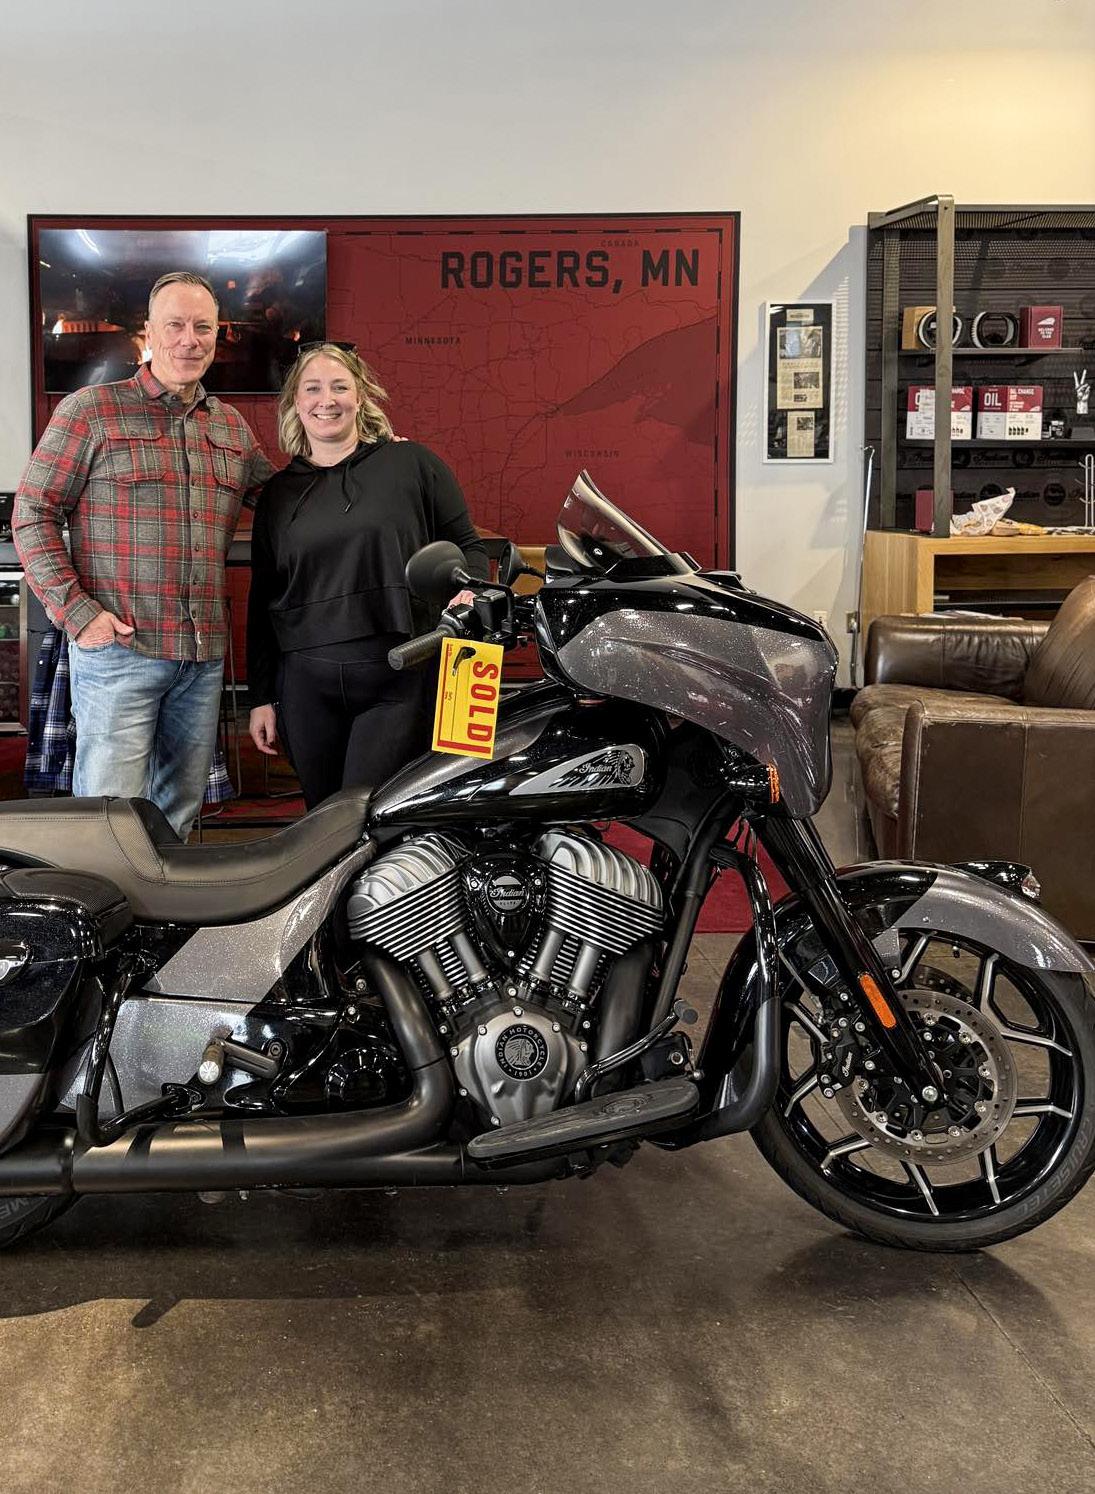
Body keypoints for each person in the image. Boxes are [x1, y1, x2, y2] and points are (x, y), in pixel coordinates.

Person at [14, 271, 274, 838]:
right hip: (120, 653)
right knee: (110, 819)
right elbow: (33, 513)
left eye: (203, 327)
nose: (189, 340)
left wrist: (368, 464)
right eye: (175, 325)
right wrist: (79, 614)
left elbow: (290, 502)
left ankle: (166, 900)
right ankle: (106, 902)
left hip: (201, 658)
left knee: (178, 814)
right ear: (149, 335)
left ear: (218, 334)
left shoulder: (230, 427)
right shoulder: (91, 411)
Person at [246, 344, 488, 807]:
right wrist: (259, 697)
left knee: (369, 814)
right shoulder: (277, 494)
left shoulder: (412, 463)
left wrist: (469, 591)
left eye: (340, 387)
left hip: (398, 675)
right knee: (323, 821)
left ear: (360, 396)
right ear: (296, 402)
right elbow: (264, 600)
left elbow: (468, 546)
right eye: (313, 389)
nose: (327, 400)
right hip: (305, 687)